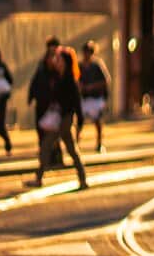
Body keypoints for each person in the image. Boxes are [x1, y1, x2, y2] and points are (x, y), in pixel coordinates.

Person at [26, 46, 87, 189]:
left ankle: (39, 178)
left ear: (66, 62)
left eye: (59, 59)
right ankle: (82, 179)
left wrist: (80, 123)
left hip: (65, 119)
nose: (56, 61)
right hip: (60, 118)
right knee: (71, 150)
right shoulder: (57, 77)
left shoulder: (69, 80)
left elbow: (76, 103)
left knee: (46, 146)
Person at [28, 36, 63, 168]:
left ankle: (54, 158)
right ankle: (46, 160)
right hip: (42, 103)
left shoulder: (60, 67)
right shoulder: (41, 67)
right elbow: (35, 82)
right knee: (41, 131)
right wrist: (31, 96)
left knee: (54, 134)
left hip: (54, 105)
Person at [76, 41, 111, 153]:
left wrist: (92, 87)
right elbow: (76, 79)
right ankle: (76, 144)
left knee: (97, 121)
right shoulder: (80, 66)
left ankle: (99, 143)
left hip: (95, 97)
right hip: (84, 98)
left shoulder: (97, 65)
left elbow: (105, 81)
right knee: (80, 122)